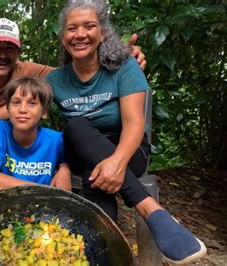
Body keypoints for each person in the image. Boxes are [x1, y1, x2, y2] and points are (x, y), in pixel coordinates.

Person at [46, 0, 206, 264]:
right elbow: (22, 100)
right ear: (63, 36)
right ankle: (153, 214)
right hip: (83, 152)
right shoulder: (54, 79)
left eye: (89, 26)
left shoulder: (124, 67)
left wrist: (117, 164)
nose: (80, 34)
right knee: (77, 127)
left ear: (102, 32)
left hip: (129, 149)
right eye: (72, 28)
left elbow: (135, 124)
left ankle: (127, 228)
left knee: (94, 179)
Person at [0, 17, 146, 149]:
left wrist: (121, 57)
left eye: (9, 48)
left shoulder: (34, 73)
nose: (2, 55)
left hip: (19, 141)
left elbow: (81, 71)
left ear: (19, 53)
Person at [0, 77, 71, 193]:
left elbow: (68, 161)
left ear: (44, 111)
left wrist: (65, 169)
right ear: (8, 109)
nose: (22, 109)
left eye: (32, 103)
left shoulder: (56, 140)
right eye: (16, 102)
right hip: (5, 202)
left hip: (41, 207)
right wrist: (47, 192)